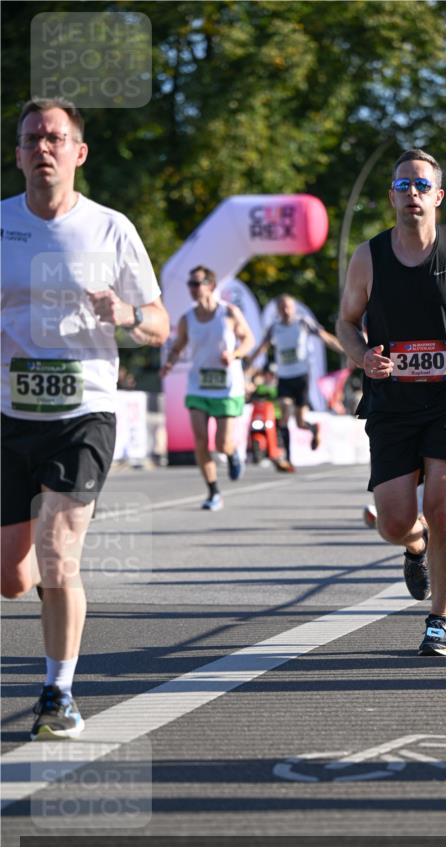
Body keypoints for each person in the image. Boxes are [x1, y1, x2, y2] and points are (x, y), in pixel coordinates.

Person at [1, 98, 169, 739]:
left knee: (58, 555)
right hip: (9, 413)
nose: (42, 147)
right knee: (13, 578)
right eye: (30, 139)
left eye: (54, 137)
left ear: (79, 152)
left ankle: (58, 691)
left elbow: (160, 324)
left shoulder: (110, 228)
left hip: (84, 412)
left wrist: (125, 314)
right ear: (17, 155)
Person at [336, 148, 446, 656]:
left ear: (437, 196)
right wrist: (363, 356)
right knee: (393, 522)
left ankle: (441, 619)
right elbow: (346, 323)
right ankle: (414, 547)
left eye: (420, 186)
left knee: (442, 505)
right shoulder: (369, 256)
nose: (411, 194)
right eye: (401, 186)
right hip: (391, 402)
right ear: (391, 196)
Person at [160, 265, 255, 509]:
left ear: (210, 285)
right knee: (201, 440)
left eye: (196, 283)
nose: (192, 288)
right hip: (198, 386)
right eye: (189, 284)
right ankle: (213, 492)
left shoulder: (229, 313)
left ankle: (233, 454)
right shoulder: (187, 318)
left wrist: (234, 355)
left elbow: (249, 339)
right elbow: (178, 346)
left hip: (227, 387)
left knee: (222, 444)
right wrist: (169, 364)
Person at [248, 294, 343, 471]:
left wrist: (344, 348)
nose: (285, 310)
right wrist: (249, 363)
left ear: (293, 308)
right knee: (283, 413)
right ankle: (287, 458)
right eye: (282, 307)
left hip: (301, 377)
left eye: (288, 307)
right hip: (283, 377)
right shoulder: (274, 327)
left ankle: (313, 429)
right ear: (277, 310)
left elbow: (325, 337)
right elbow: (262, 346)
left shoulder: (303, 322)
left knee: (299, 422)